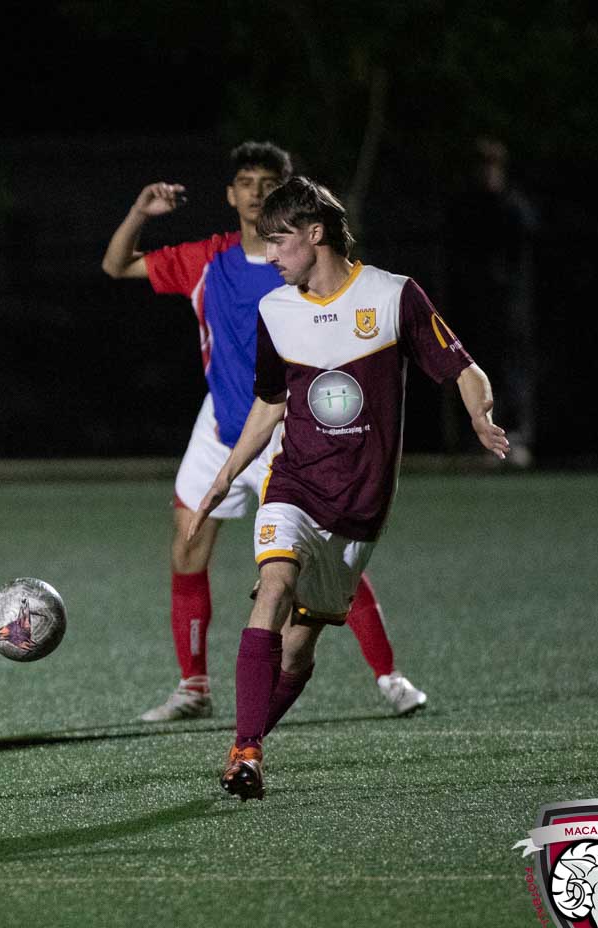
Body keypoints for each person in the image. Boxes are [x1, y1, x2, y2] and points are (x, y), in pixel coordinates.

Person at [188, 177, 509, 800]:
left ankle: (243, 746)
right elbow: (270, 403)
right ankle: (248, 751)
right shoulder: (275, 311)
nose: (270, 256)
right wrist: (224, 477)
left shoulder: (392, 296)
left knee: (297, 652)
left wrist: (480, 414)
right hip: (294, 482)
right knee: (273, 587)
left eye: (278, 241)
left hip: (360, 505)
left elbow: (463, 367)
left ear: (315, 234)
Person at [101, 141, 429, 723]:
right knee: (187, 544)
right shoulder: (208, 260)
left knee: (323, 557)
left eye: (268, 182)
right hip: (220, 426)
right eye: (246, 182)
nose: (255, 192)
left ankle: (389, 675)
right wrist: (138, 213)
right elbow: (116, 265)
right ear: (230, 194)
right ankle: (193, 686)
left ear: (288, 194)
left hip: (285, 432)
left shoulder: (303, 270)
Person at [445, 137, 538, 466]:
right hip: (475, 307)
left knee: (512, 368)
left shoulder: (512, 205)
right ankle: (480, 439)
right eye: (482, 166)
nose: (487, 173)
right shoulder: (466, 208)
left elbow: (526, 237)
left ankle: (515, 437)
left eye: (492, 166)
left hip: (509, 308)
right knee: (476, 371)